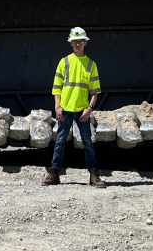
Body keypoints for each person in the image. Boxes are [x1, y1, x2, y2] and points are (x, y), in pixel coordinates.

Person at [42, 27, 106, 187]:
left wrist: (89, 108)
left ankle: (93, 175)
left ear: (85, 42)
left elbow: (95, 91)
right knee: (60, 142)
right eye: (75, 42)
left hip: (82, 111)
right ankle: (55, 174)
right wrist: (57, 107)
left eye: (80, 41)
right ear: (71, 43)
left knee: (88, 143)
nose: (78, 44)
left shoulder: (91, 65)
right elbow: (57, 87)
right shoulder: (64, 62)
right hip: (65, 110)